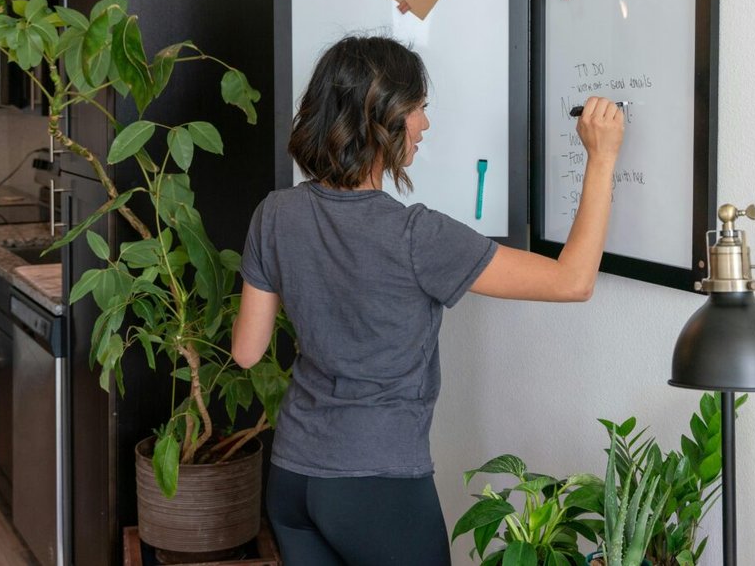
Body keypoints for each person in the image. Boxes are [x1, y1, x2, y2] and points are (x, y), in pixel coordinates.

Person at [231, 35, 625, 566]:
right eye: (419, 109)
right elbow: (573, 280)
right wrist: (601, 158)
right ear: (384, 119)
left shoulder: (273, 214)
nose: (424, 125)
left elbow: (248, 352)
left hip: (293, 477)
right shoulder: (417, 236)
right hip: (378, 487)